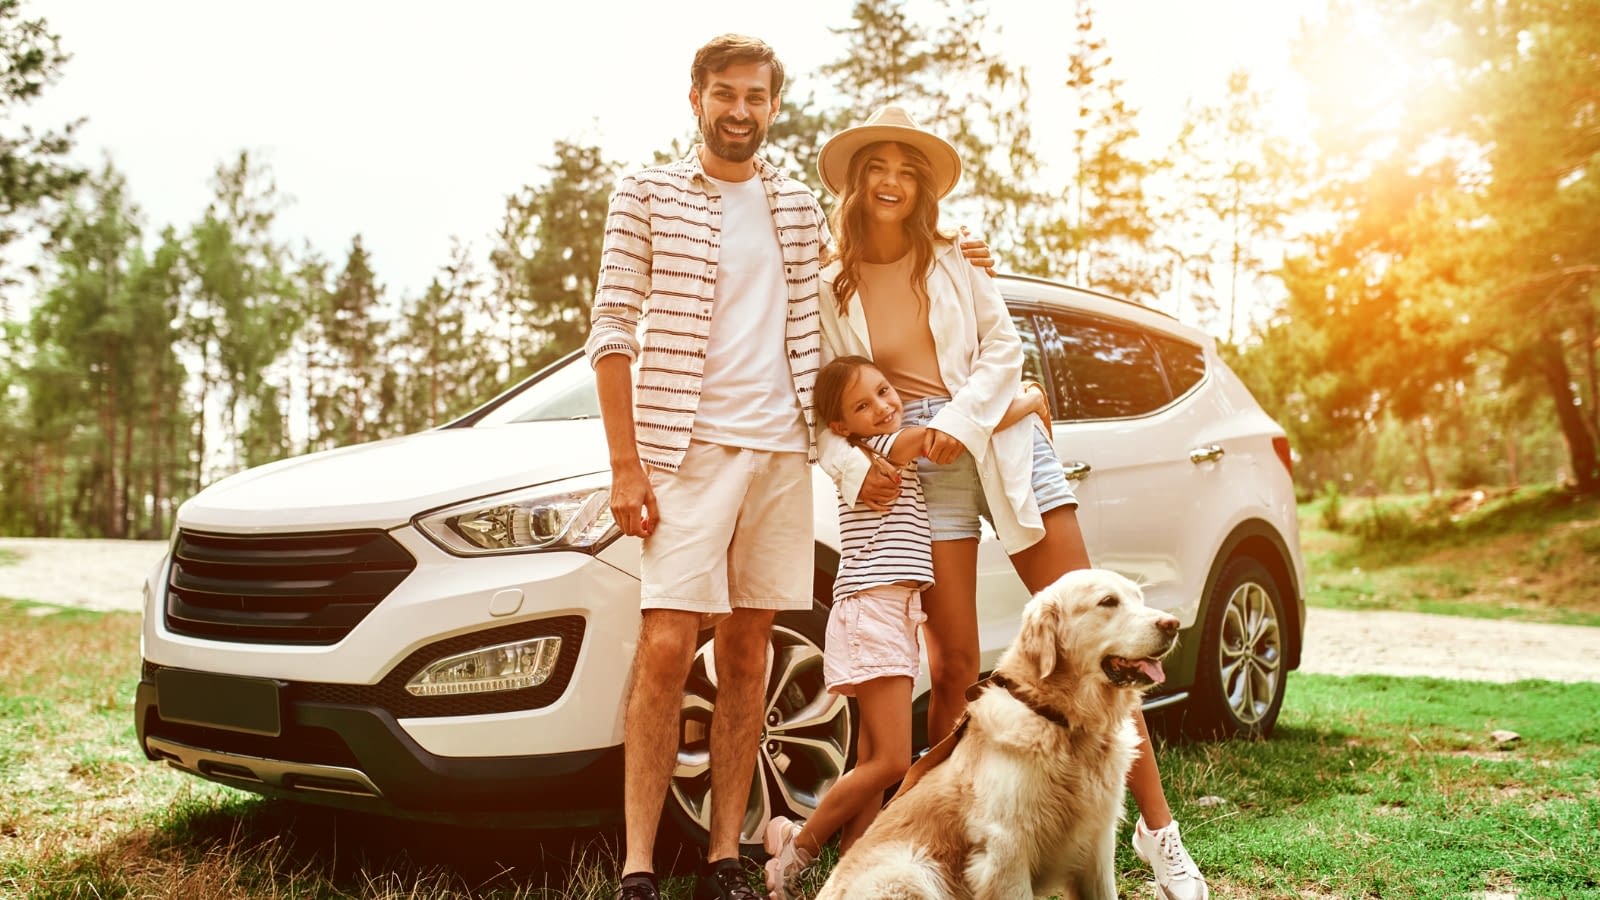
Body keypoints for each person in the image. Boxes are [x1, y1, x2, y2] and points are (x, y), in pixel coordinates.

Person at [587, 43, 996, 900]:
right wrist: (627, 466)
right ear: (695, 97)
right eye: (725, 95)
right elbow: (613, 328)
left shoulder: (797, 204)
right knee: (666, 647)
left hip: (780, 450)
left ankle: (725, 857)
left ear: (774, 108)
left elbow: (855, 270)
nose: (740, 110)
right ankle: (636, 867)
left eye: (757, 97)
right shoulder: (646, 194)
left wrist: (955, 252)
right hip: (686, 453)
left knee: (749, 651)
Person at [812, 105, 1211, 900]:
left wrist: (962, 422)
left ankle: (1161, 839)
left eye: (907, 170)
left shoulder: (958, 257)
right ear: (857, 182)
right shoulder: (827, 284)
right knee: (955, 666)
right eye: (878, 168)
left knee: (1106, 626)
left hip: (997, 440)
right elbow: (820, 398)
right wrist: (864, 464)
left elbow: (1003, 349)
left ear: (922, 187)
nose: (891, 182)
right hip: (919, 463)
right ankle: (960, 840)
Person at [762, 357, 1050, 899]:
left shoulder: (877, 445)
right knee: (893, 760)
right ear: (842, 428)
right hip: (874, 610)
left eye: (885, 391)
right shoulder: (883, 448)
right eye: (863, 406)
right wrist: (1030, 401)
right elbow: (956, 433)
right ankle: (798, 848)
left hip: (885, 609)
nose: (883, 407)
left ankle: (851, 866)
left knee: (873, 758)